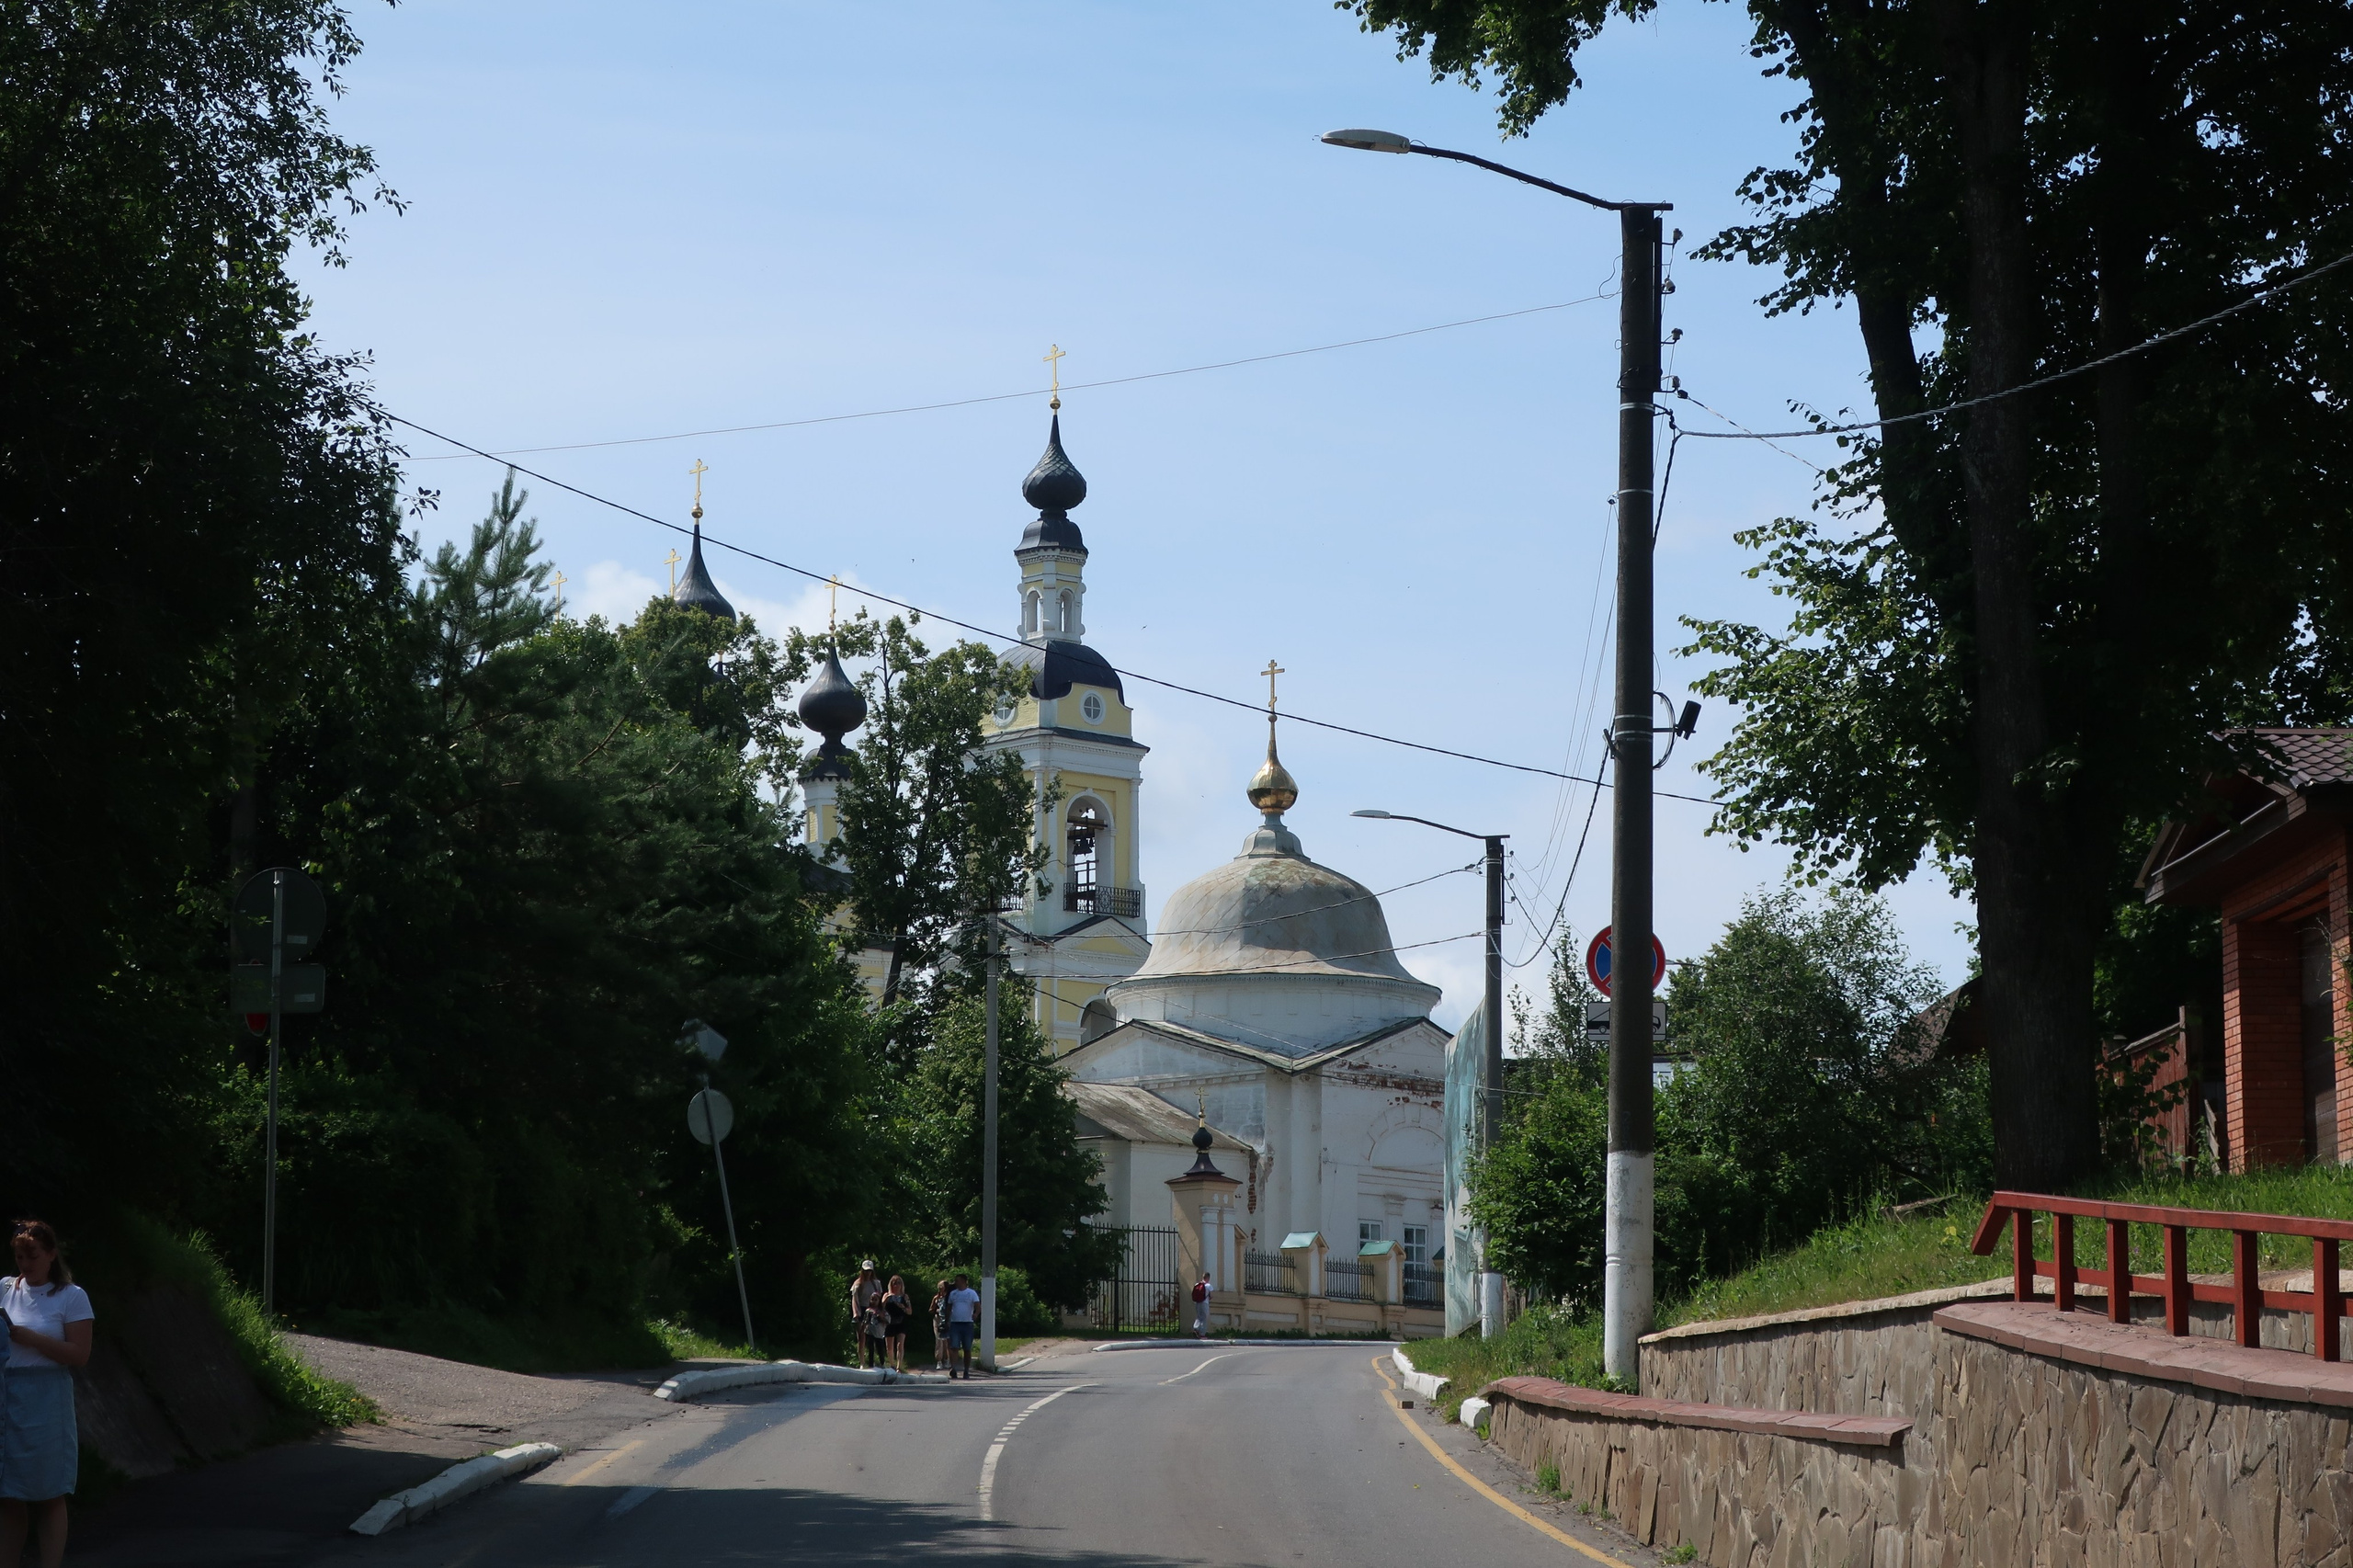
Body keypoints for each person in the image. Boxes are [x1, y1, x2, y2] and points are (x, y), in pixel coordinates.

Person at [2, 1221, 93, 1568]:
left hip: (47, 1397)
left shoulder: (71, 1296)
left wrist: (33, 1339)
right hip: (8, 1396)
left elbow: (80, 1355)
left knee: (49, 1493)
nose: (26, 1263)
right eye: (20, 1256)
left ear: (51, 1255)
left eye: (33, 1255)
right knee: (8, 1492)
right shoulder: (4, 1289)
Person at [945, 1272, 981, 1380]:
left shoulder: (971, 1293)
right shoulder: (953, 1294)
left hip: (967, 1323)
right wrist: (947, 1320)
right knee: (954, 1347)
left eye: (958, 1280)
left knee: (967, 1348)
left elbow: (978, 1306)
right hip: (955, 1323)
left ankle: (966, 1370)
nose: (956, 1283)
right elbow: (949, 1308)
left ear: (964, 1282)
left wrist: (975, 1314)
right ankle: (954, 1368)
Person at [847, 1260, 882, 1369]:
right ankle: (862, 1362)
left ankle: (877, 1361)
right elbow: (855, 1300)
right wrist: (856, 1313)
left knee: (875, 1336)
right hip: (861, 1309)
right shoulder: (858, 1284)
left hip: (873, 1310)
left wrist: (880, 1312)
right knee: (861, 1337)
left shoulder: (876, 1283)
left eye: (870, 1271)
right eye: (866, 1271)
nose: (868, 1273)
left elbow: (879, 1297)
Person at [929, 1279, 952, 1372]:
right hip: (938, 1319)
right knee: (939, 1340)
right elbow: (930, 1310)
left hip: (948, 1319)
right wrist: (936, 1309)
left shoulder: (950, 1297)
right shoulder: (936, 1298)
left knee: (947, 1340)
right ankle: (939, 1360)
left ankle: (947, 1359)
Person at [1191, 1270, 1213, 1339]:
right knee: (1204, 1318)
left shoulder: (1197, 1284)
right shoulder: (1208, 1285)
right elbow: (1211, 1295)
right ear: (1208, 1278)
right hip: (1205, 1303)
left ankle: (1196, 1328)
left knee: (1199, 1316)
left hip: (1197, 1303)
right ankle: (1202, 1334)